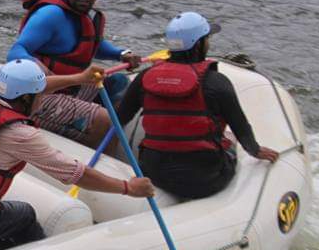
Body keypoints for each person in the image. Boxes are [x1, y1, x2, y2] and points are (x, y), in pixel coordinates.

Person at [0, 59, 154, 250]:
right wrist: (127, 187)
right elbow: (76, 174)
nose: (43, 99)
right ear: (26, 98)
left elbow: (35, 88)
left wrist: (80, 78)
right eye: (39, 95)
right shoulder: (19, 134)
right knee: (24, 215)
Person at [116, 12, 279, 199]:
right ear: (199, 43)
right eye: (207, 38)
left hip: (153, 174)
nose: (209, 42)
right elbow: (240, 126)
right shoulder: (216, 81)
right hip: (205, 180)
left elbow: (120, 118)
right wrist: (255, 150)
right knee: (229, 139)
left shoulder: (145, 77)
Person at [8, 0, 141, 146]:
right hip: (39, 96)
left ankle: (90, 131)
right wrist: (38, 68)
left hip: (70, 88)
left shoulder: (84, 16)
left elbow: (94, 45)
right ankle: (100, 142)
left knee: (118, 83)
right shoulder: (50, 15)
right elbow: (16, 51)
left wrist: (122, 54)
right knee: (106, 121)